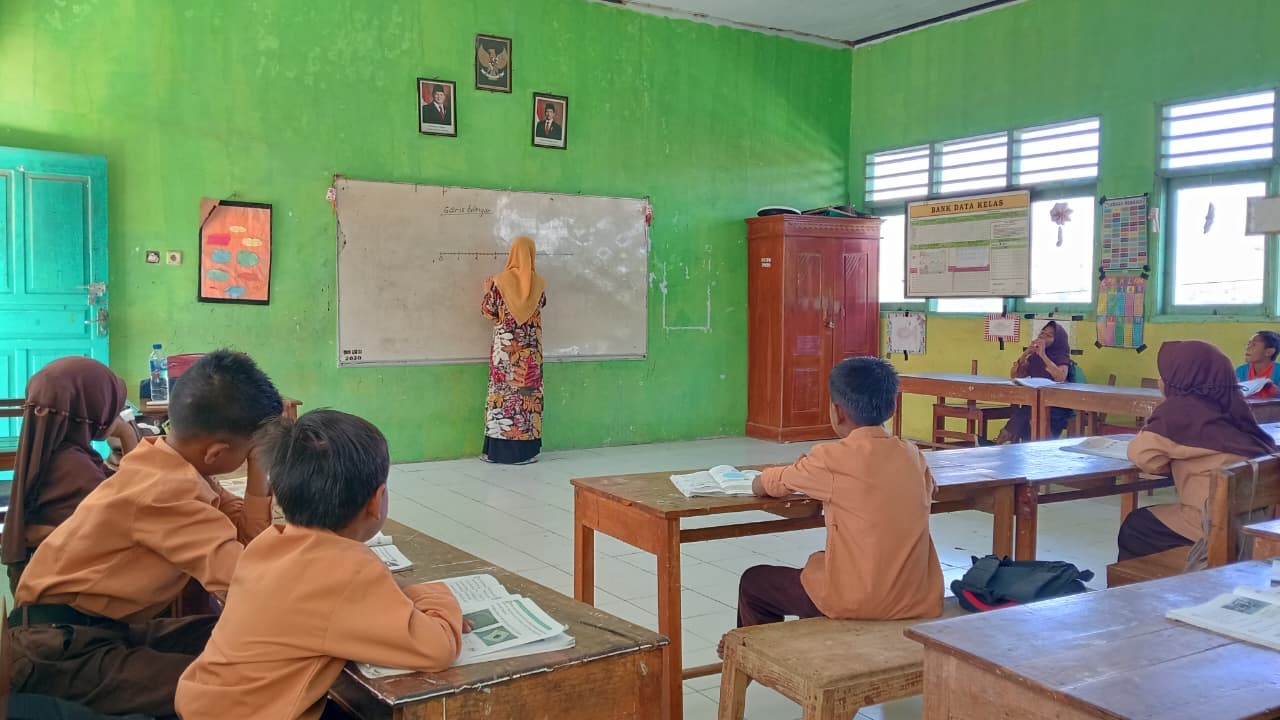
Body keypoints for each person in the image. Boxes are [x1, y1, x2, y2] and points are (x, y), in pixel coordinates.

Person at [6, 349, 283, 717]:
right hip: (60, 652)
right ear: (216, 453)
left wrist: (258, 470)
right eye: (250, 453)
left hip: (93, 631)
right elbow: (247, 583)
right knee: (238, 685)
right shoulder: (167, 492)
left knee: (234, 636)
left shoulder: (163, 461)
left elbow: (247, 536)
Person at [175, 410, 464, 720]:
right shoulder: (348, 568)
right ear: (377, 500)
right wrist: (434, 594)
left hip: (205, 704)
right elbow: (436, 648)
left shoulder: (269, 541)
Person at [725, 357, 942, 647]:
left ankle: (755, 657)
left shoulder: (831, 459)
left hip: (859, 601)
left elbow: (769, 484)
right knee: (819, 567)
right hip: (918, 596)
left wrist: (761, 479)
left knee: (755, 582)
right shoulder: (913, 455)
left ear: (837, 412)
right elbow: (929, 487)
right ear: (892, 407)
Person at [1117, 340, 1277, 561]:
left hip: (1213, 526)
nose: (1160, 381)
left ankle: (1159, 581)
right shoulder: (1235, 405)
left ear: (1181, 379)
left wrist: (1174, 461)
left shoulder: (1178, 412)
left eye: (1165, 375)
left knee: (1136, 525)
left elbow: (1143, 456)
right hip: (1254, 524)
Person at [1, 357, 139, 592]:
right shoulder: (74, 468)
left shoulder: (49, 450)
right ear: (88, 406)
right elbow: (133, 504)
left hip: (45, 581)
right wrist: (126, 434)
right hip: (74, 592)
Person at [480, 236, 547, 465]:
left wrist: (487, 291)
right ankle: (524, 453)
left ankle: (495, 452)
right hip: (530, 354)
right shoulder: (539, 284)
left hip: (505, 353)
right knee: (526, 400)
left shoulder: (500, 282)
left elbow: (488, 312)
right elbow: (541, 305)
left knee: (502, 399)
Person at [994, 320, 1075, 443]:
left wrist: (1043, 355)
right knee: (1024, 412)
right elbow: (1016, 375)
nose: (1043, 337)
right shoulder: (1033, 357)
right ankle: (1003, 442)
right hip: (1036, 402)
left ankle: (1002, 442)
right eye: (1042, 333)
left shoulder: (1061, 356)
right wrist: (1026, 353)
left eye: (1049, 335)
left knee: (1028, 413)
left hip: (1057, 405)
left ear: (1058, 340)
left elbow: (1060, 377)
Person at [1235, 330, 1280, 399]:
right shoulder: (1240, 371)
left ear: (1269, 352)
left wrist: (1273, 389)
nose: (1247, 348)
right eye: (1248, 344)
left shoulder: (1278, 371)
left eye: (1254, 345)